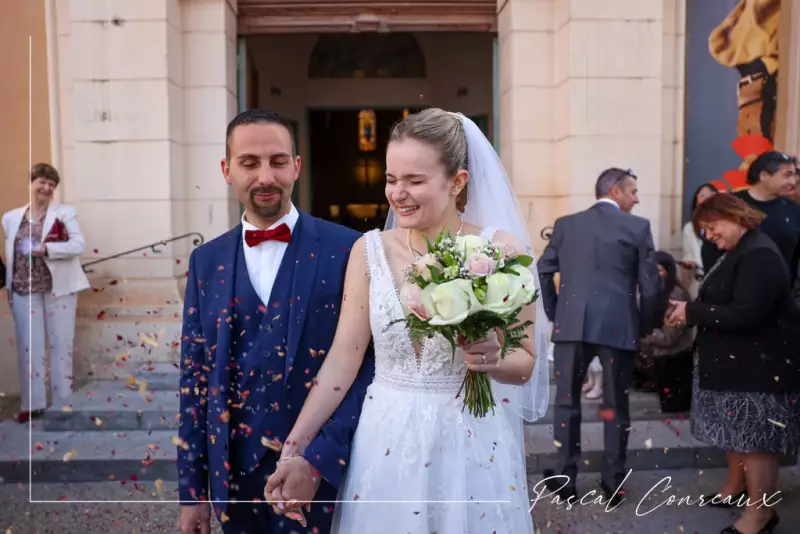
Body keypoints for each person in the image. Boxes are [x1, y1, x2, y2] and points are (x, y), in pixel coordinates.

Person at [265, 108, 550, 533]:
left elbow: (526, 363)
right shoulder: (368, 251)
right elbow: (343, 359)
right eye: (391, 179)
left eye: (415, 181)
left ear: (457, 182)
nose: (398, 194)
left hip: (471, 440)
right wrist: (294, 448)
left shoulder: (501, 252)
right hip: (386, 441)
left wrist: (491, 358)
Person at [176, 109, 375, 534]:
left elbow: (367, 369)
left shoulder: (349, 249)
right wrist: (192, 494)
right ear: (227, 170)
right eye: (249, 163)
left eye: (278, 161)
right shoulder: (204, 261)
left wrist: (318, 460)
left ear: (296, 167)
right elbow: (194, 380)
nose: (265, 176)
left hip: (319, 476)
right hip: (235, 479)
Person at [667, 193, 800, 534]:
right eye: (704, 232)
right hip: (740, 367)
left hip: (758, 369)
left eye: (712, 228)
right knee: (741, 438)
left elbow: (748, 313)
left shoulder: (759, 254)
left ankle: (760, 516)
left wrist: (692, 312)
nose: (708, 236)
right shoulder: (743, 250)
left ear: (736, 217)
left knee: (757, 445)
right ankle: (739, 491)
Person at [537, 167, 662, 504]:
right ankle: (612, 481)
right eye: (633, 191)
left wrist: (556, 313)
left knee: (566, 403)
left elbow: (543, 270)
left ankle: (566, 478)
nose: (637, 199)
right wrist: (645, 326)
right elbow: (650, 286)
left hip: (571, 325)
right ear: (615, 191)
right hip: (618, 325)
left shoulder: (567, 224)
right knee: (614, 406)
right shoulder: (637, 227)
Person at [2, 163, 90, 424]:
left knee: (61, 344)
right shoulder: (10, 217)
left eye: (51, 185)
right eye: (41, 182)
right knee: (29, 348)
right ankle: (33, 404)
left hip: (58, 289)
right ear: (31, 182)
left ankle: (63, 402)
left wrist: (47, 249)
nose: (46, 188)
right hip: (22, 288)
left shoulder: (64, 214)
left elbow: (78, 245)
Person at [634, 251, 693, 412]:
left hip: (675, 360)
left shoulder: (676, 295)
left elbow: (670, 337)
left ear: (669, 271)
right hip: (659, 358)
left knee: (674, 408)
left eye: (659, 271)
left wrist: (644, 337)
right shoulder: (651, 292)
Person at [680, 182, 719, 296]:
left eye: (710, 196)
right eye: (702, 196)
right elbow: (688, 254)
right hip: (698, 283)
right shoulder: (689, 228)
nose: (706, 200)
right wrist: (689, 263)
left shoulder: (724, 226)